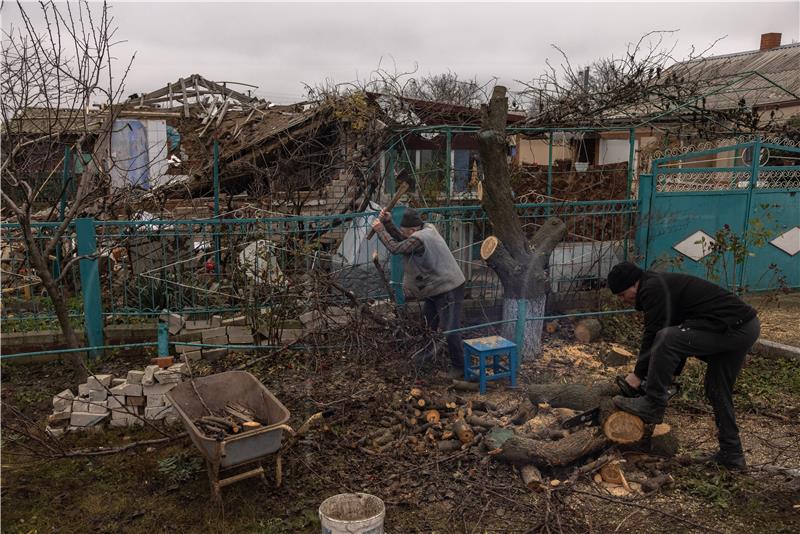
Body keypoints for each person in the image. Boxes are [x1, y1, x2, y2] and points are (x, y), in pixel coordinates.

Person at [607, 262, 759, 469]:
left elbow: (655, 334)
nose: (623, 300)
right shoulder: (659, 285)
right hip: (743, 326)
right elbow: (680, 334)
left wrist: (637, 375)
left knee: (666, 338)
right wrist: (666, 375)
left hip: (733, 328)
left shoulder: (652, 288)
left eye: (622, 294)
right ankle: (732, 454)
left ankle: (653, 404)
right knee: (717, 389)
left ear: (634, 284)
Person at [371, 207, 465, 372]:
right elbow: (403, 240)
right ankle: (425, 361)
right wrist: (387, 223)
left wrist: (380, 230)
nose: (403, 233)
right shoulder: (426, 229)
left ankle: (460, 368)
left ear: (413, 230)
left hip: (448, 288)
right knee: (428, 325)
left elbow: (396, 248)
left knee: (450, 329)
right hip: (436, 288)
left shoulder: (420, 238)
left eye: (405, 231)